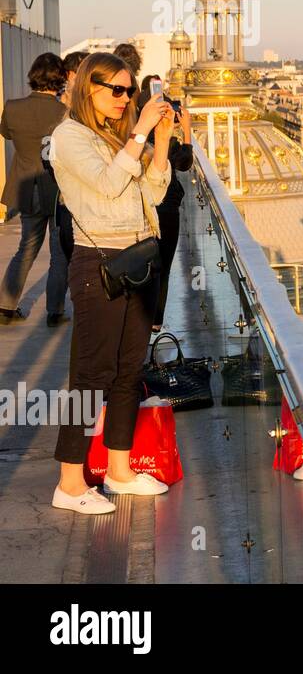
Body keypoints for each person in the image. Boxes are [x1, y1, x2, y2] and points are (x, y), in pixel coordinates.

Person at [48, 52, 174, 514]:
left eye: (130, 91)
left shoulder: (114, 136)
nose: (125, 99)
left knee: (127, 370)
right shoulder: (69, 137)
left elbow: (152, 194)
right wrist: (139, 130)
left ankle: (119, 471)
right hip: (98, 262)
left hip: (137, 258)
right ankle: (70, 482)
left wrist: (159, 142)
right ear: (90, 90)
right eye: (116, 91)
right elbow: (105, 185)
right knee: (90, 376)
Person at [0, 53, 71, 326]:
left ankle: (6, 304)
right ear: (59, 79)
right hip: (57, 190)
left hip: (27, 188)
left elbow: (6, 133)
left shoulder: (13, 107)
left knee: (26, 247)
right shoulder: (63, 112)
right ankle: (54, 311)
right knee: (59, 252)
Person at [134, 74, 193, 331]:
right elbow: (185, 162)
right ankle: (156, 320)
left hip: (141, 207)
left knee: (141, 263)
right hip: (166, 208)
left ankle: (139, 316)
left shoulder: (135, 133)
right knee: (163, 265)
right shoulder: (165, 138)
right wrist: (186, 129)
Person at [55, 51, 89, 265]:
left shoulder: (91, 103)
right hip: (64, 195)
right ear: (70, 74)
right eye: (83, 71)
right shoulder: (58, 104)